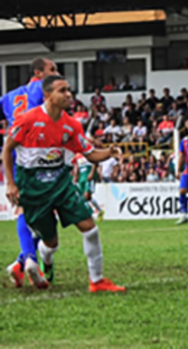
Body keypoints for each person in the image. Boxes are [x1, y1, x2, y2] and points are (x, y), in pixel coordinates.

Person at [2, 74, 125, 293]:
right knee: (51, 243)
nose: (68, 95)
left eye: (69, 90)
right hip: (33, 190)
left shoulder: (71, 125)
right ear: (47, 95)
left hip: (62, 185)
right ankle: (44, 261)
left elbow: (90, 153)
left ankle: (97, 281)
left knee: (90, 228)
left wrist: (110, 152)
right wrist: (10, 183)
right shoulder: (28, 119)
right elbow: (7, 149)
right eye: (62, 90)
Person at [2, 57, 58, 288]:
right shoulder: (43, 89)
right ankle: (30, 259)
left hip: (16, 152)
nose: (56, 74)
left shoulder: (7, 97)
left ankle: (20, 262)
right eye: (52, 70)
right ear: (38, 73)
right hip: (37, 154)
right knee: (40, 210)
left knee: (32, 209)